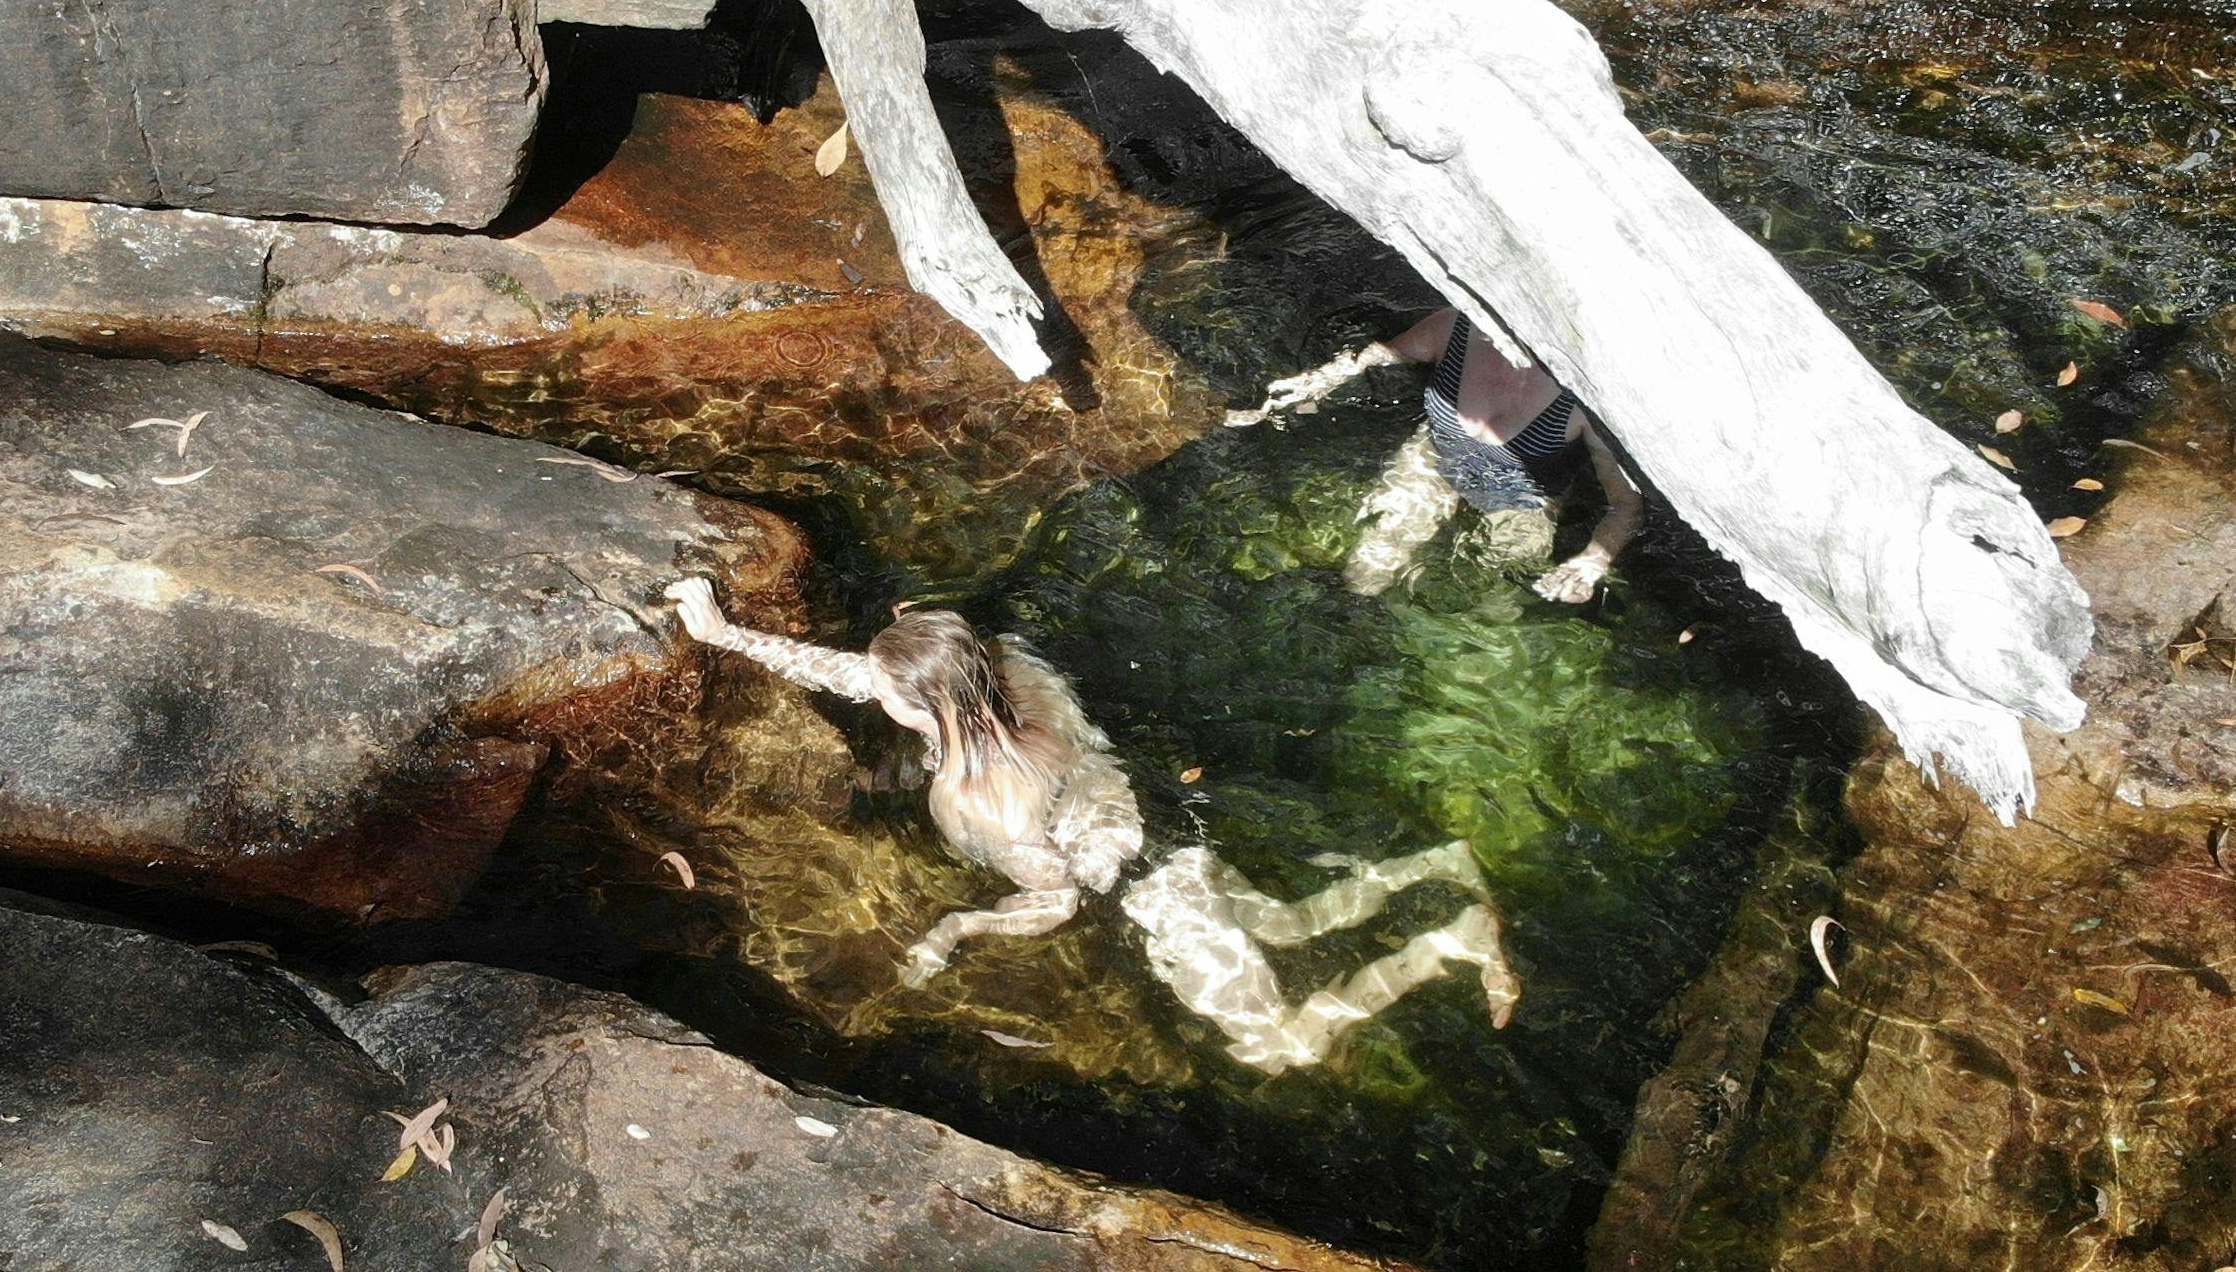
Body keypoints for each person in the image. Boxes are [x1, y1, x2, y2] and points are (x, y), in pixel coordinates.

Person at [663, 577, 1517, 1073]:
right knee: (1288, 924)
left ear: (922, 704)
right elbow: (856, 674)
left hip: (1148, 897)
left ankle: (1452, 941)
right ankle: (1432, 864)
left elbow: (1060, 901)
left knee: (1279, 1047)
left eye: (886, 690)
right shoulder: (1007, 673)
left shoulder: (981, 800)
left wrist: (957, 925)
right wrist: (723, 632)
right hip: (1174, 842)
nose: (870, 692)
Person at [1228, 307, 1644, 603]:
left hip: (1521, 498)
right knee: (1366, 573)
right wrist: (1291, 393)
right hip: (1435, 458)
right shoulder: (1457, 326)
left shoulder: (1588, 398)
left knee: (1495, 601)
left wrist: (1590, 564)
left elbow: (1626, 504)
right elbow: (1370, 359)